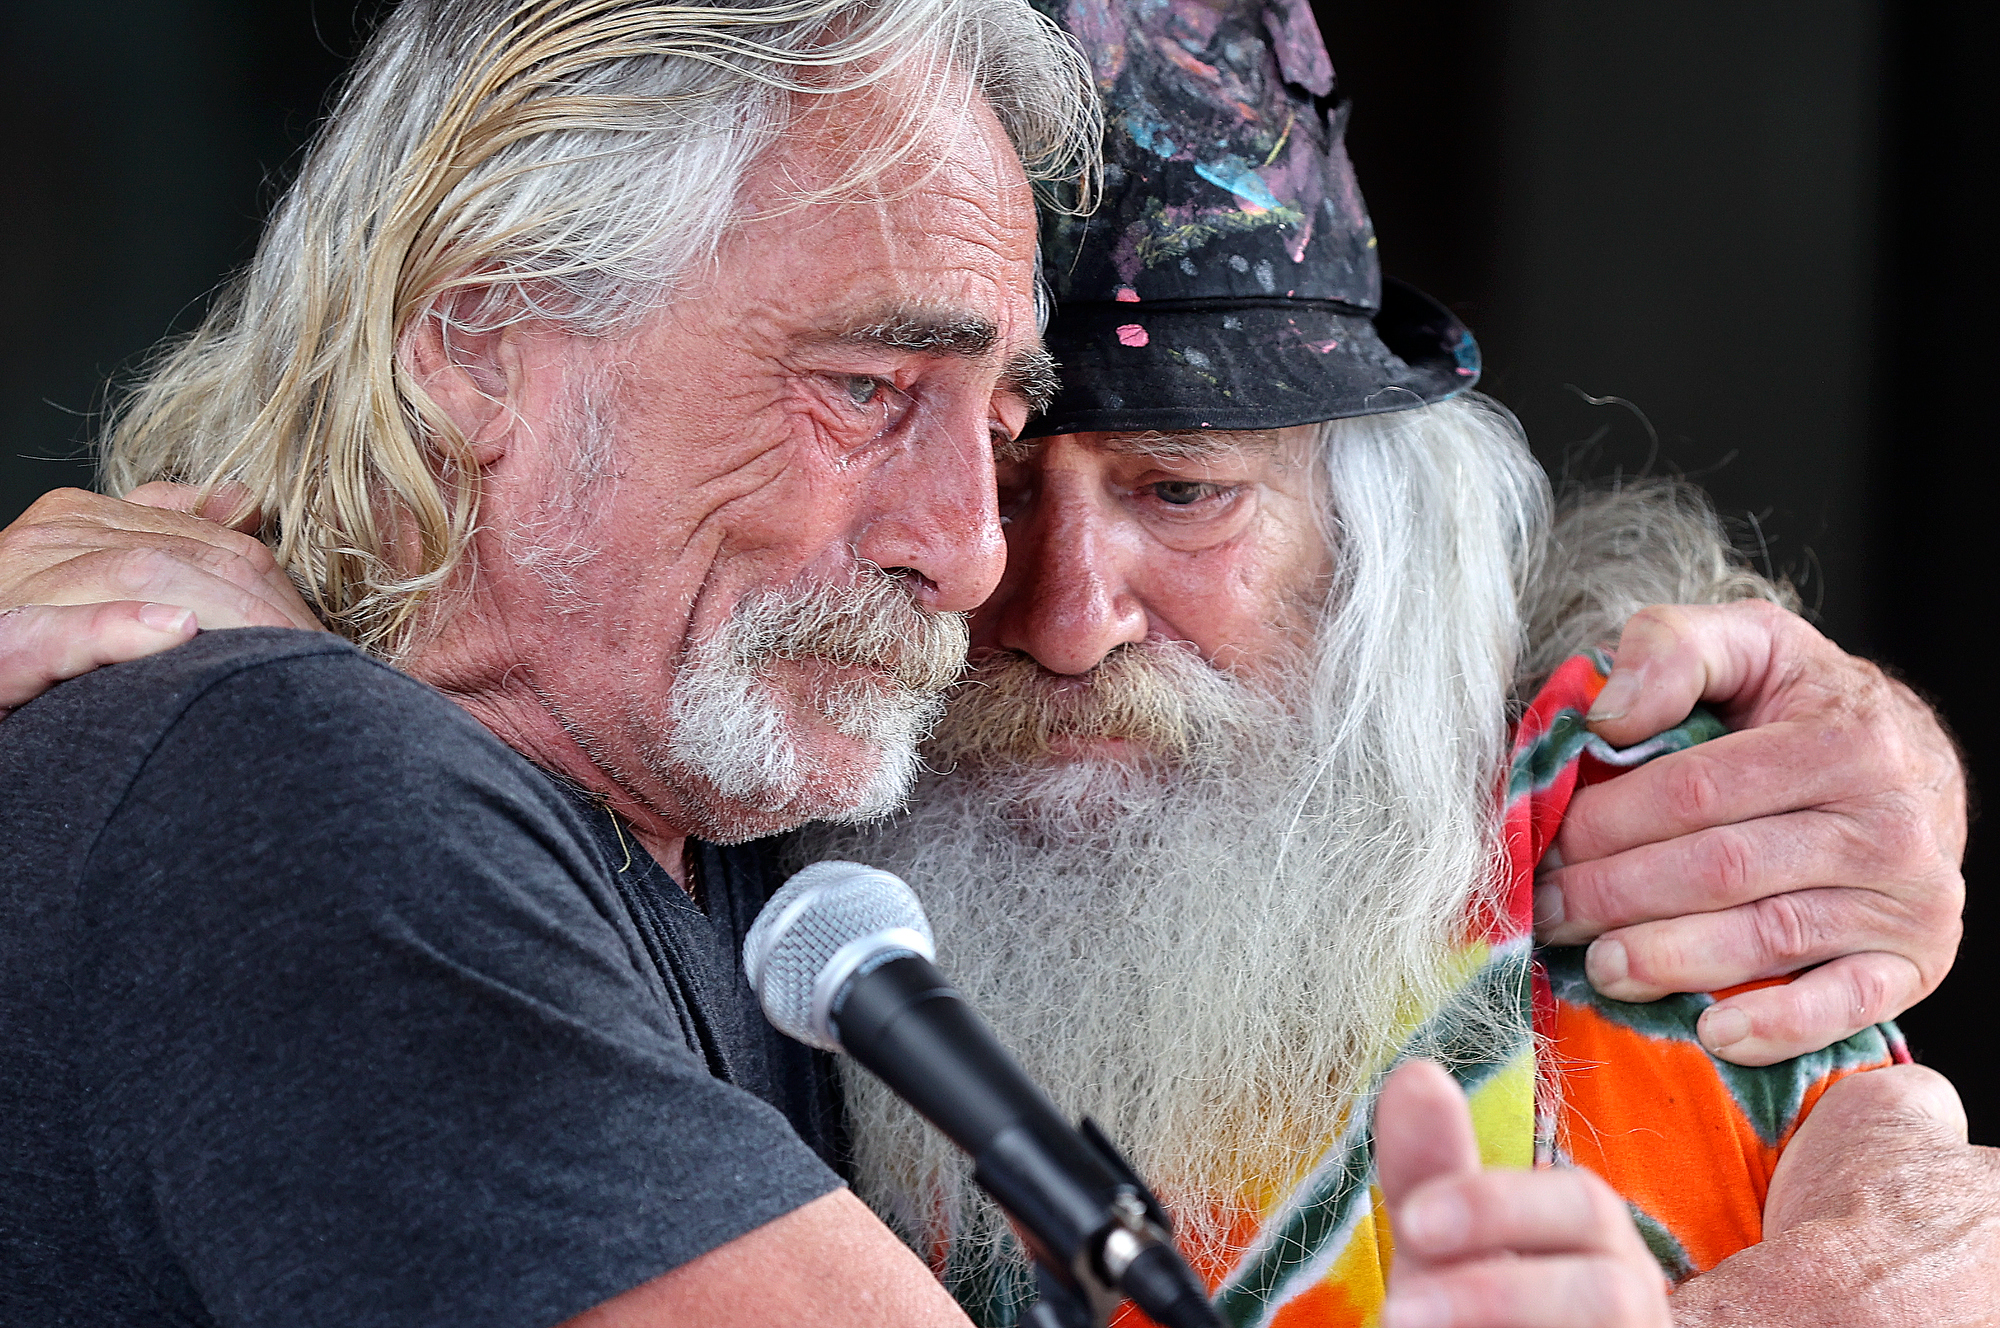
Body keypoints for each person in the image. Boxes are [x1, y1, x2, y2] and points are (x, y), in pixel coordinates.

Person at [0, 1, 1978, 1325]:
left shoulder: (742, 808)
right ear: (479, 334)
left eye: (1184, 494)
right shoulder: (318, 796)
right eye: (869, 389)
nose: (999, 574)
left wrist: (1864, 772)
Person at [788, 2, 1992, 1325]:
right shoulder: (720, 824)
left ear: (1373, 543)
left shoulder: (1647, 855)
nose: (1069, 623)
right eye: (1004, 494)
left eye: (1184, 493)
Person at [0, 2, 1100, 1325]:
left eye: (1003, 428)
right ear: (476, 347)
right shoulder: (285, 782)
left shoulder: (706, 807)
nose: (971, 552)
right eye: (865, 388)